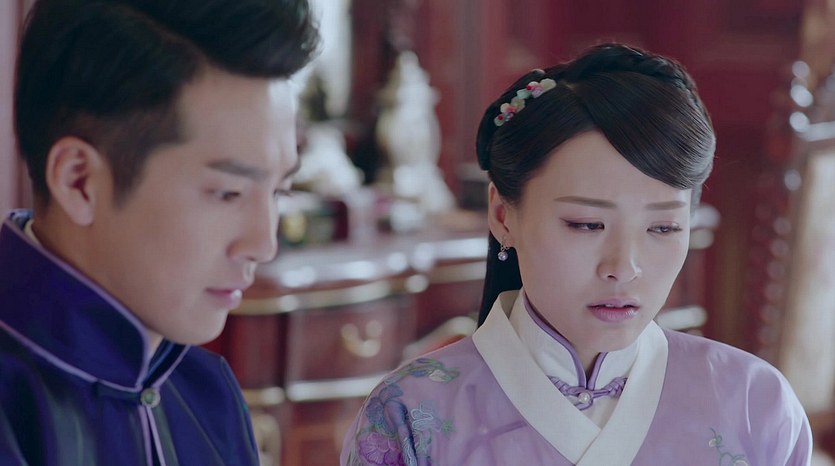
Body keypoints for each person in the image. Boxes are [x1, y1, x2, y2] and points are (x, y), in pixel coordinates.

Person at [340, 43, 812, 465]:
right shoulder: (410, 414)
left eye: (663, 227)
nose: (623, 268)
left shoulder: (753, 403)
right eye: (586, 224)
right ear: (503, 215)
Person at [0, 0, 317, 464]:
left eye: (279, 191)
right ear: (79, 181)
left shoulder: (208, 393)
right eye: (227, 193)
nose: (263, 245)